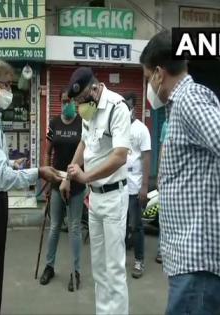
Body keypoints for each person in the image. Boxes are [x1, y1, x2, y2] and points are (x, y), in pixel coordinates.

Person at [140, 30, 220, 315]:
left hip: (198, 265)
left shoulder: (190, 101)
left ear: (158, 73)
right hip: (190, 263)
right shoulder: (183, 104)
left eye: (146, 78)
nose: (148, 87)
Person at [0, 59, 62, 315]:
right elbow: (0, 177)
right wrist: (38, 173)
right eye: (7, 84)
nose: (10, 90)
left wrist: (12, 163)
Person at [60, 67, 131, 314]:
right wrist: (70, 174)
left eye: (81, 101)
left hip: (113, 198)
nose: (79, 106)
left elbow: (120, 156)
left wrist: (85, 176)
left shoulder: (117, 108)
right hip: (95, 198)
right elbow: (84, 141)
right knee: (99, 267)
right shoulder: (88, 111)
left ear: (94, 88)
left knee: (114, 268)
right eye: (76, 102)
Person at [39, 90, 85, 291]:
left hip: (76, 184)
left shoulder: (83, 123)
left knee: (74, 228)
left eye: (70, 100)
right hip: (57, 181)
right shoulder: (54, 123)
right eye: (64, 100)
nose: (67, 103)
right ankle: (49, 266)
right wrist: (47, 178)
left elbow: (88, 152)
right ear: (60, 102)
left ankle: (75, 272)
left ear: (75, 102)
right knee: (55, 226)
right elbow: (47, 152)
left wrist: (87, 178)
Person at [123, 92, 151, 279]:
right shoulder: (118, 127)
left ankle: (139, 261)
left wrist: (144, 187)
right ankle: (119, 258)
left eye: (130, 106)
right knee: (121, 225)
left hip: (135, 186)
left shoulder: (142, 129)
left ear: (135, 108)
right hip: (119, 186)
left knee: (137, 226)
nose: (127, 109)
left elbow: (147, 157)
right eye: (125, 105)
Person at [155, 119, 168, 264]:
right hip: (167, 177)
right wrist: (159, 173)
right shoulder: (166, 124)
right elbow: (162, 149)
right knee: (164, 215)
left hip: (185, 179)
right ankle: (161, 250)